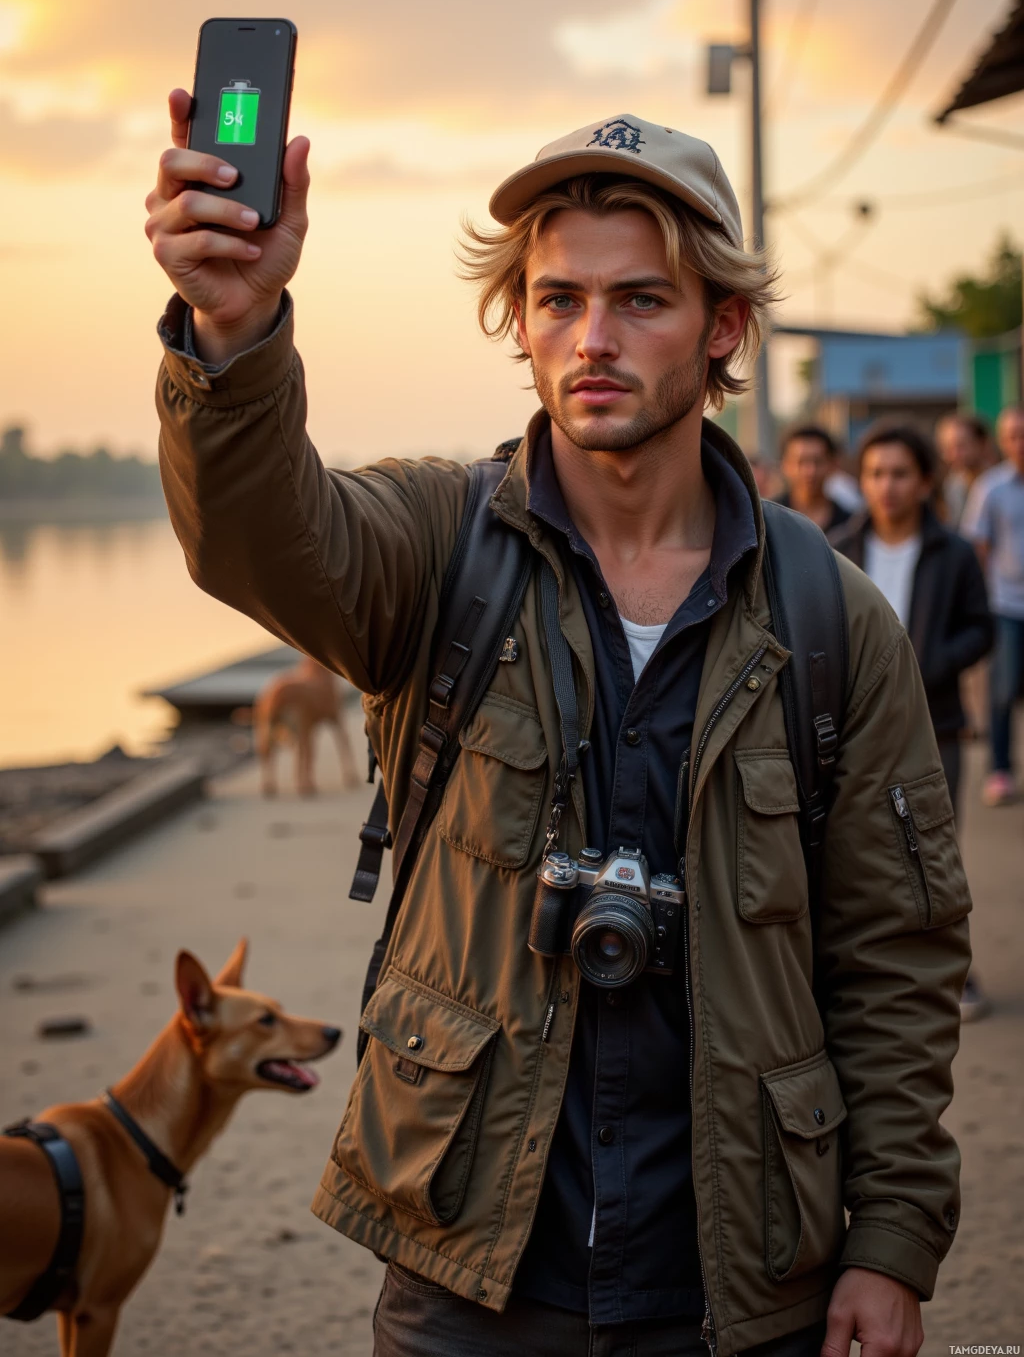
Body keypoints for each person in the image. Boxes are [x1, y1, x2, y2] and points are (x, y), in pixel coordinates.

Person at [146, 103, 970, 1357]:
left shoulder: (830, 621)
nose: (592, 338)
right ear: (519, 321)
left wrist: (892, 1240)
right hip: (466, 1264)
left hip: (740, 1277)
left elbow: (897, 958)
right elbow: (260, 538)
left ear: (724, 325)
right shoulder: (437, 551)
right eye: (556, 298)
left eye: (641, 298)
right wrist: (232, 328)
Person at [830, 424, 993, 1022]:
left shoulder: (951, 552)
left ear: (924, 481)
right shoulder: (837, 548)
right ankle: (873, 979)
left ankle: (956, 976)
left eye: (900, 474)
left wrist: (932, 663)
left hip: (937, 721)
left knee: (935, 850)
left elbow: (982, 627)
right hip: (852, 727)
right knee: (859, 852)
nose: (887, 486)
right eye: (875, 474)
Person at [964, 405, 1024, 806]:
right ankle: (1000, 770)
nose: (1019, 442)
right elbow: (978, 547)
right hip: (1007, 605)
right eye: (1013, 435)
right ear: (1002, 441)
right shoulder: (991, 487)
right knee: (1002, 692)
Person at [775, 425, 851, 533]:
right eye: (801, 462)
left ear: (833, 464)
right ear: (785, 465)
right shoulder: (768, 518)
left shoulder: (848, 525)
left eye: (818, 461)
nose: (810, 471)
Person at [935, 412, 994, 531]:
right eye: (948, 448)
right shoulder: (951, 486)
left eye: (961, 446)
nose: (954, 455)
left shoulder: (1000, 484)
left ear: (982, 443)